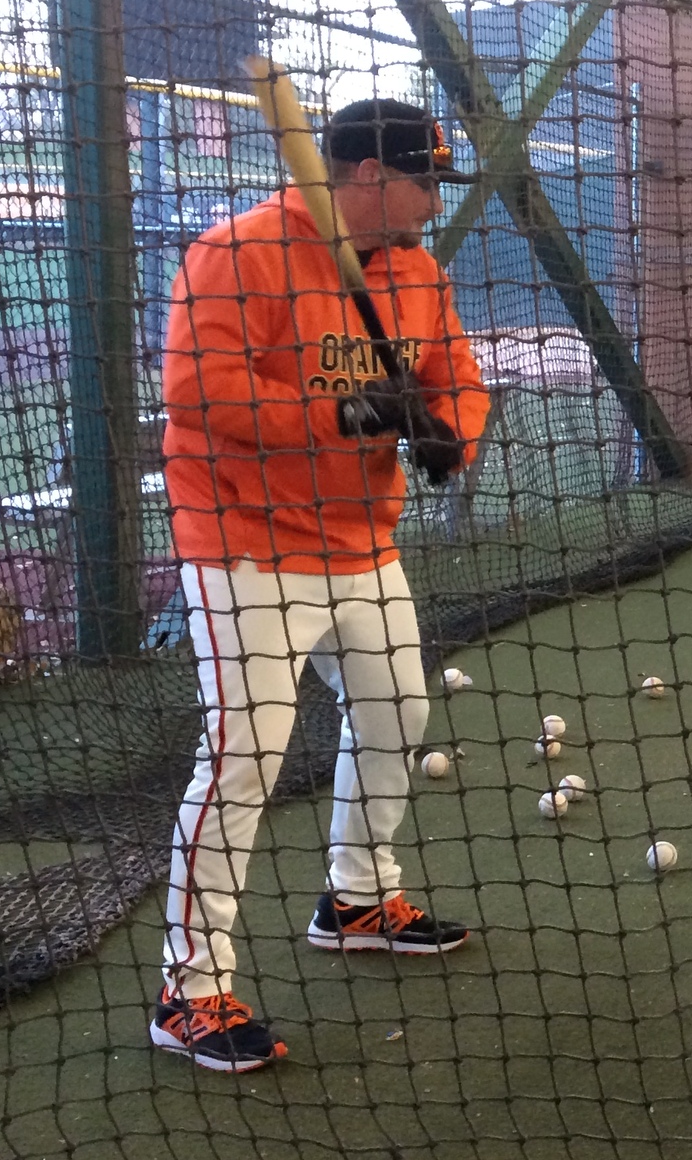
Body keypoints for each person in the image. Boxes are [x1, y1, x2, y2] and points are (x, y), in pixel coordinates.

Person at [151, 99, 491, 1071]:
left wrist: (448, 433)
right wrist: (336, 414)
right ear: (366, 177)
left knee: (396, 709)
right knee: (244, 757)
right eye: (424, 180)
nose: (433, 201)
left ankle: (354, 896)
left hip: (360, 542)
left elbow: (456, 375)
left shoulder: (415, 270)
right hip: (244, 545)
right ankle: (191, 991)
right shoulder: (239, 251)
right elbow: (195, 389)